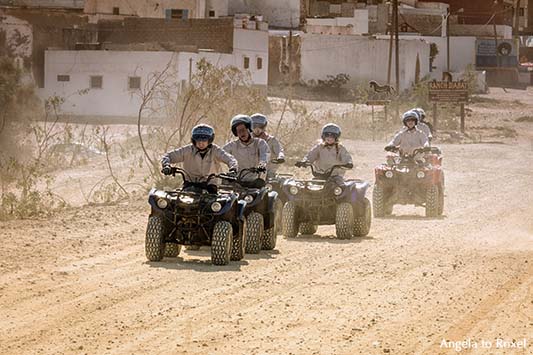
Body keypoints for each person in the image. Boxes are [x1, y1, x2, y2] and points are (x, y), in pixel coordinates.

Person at [161, 124, 238, 194]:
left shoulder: (216, 150)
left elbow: (230, 159)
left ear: (210, 140)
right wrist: (166, 166)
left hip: (210, 186)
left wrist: (233, 169)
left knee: (217, 207)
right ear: (193, 140)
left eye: (204, 140)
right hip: (189, 185)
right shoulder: (187, 150)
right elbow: (168, 156)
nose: (201, 143)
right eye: (198, 140)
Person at [223, 114, 270, 187]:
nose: (241, 133)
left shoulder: (260, 143)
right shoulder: (232, 146)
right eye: (238, 131)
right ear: (236, 133)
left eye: (243, 130)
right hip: (238, 182)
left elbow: (265, 154)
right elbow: (219, 154)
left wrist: (262, 164)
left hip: (256, 181)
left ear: (249, 129)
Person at [250, 113, 285, 179]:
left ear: (264, 126)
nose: (257, 129)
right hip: (249, 172)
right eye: (254, 126)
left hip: (268, 173)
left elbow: (280, 150)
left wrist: (280, 157)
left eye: (260, 126)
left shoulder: (271, 140)